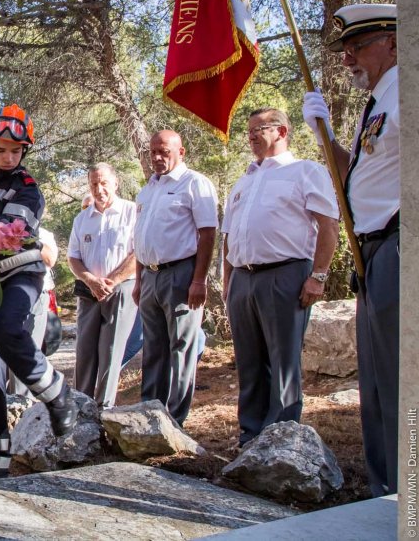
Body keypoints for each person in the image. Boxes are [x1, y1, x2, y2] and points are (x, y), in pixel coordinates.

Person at [0, 104, 77, 480]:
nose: (8, 156)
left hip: (23, 272)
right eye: (2, 149)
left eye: (15, 151)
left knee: (5, 330)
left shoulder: (28, 188)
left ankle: (56, 392)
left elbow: (3, 232)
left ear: (24, 152)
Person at [302, 3, 398, 496]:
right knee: (379, 387)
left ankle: (410, 498)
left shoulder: (405, 91)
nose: (347, 60)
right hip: (375, 250)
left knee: (401, 384)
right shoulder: (377, 104)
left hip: (400, 243)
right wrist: (327, 135)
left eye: (357, 47)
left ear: (395, 43)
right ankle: (390, 494)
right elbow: (350, 179)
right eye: (344, 50)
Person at [222, 108, 339, 447]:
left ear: (283, 131)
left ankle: (281, 438)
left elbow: (328, 225)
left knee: (282, 362)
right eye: (249, 131)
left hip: (285, 275)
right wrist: (229, 283)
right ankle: (250, 435)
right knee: (249, 362)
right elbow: (229, 237)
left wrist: (318, 276)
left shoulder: (304, 171)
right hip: (243, 280)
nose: (252, 135)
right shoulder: (244, 180)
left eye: (260, 128)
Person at [133, 130, 218, 425]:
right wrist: (138, 280)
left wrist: (199, 280)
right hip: (149, 276)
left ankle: (174, 417)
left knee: (181, 346)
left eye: (164, 151)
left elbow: (208, 234)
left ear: (180, 152)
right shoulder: (148, 189)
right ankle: (149, 412)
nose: (157, 157)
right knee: (153, 346)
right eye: (152, 151)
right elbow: (139, 238)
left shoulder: (194, 183)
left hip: (181, 274)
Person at [67, 162, 138, 408]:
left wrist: (112, 280)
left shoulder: (131, 212)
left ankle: (103, 409)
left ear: (115, 184)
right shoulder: (82, 219)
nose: (99, 189)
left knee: (111, 351)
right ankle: (80, 406)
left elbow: (138, 252)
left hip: (120, 289)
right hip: (88, 291)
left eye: (104, 183)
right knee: (85, 352)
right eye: (94, 184)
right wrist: (91, 280)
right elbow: (73, 258)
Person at [6, 226, 59, 397]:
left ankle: (23, 402)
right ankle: (12, 400)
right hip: (7, 295)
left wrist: (33, 241)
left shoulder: (44, 234)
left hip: (36, 295)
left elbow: (51, 260)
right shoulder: (2, 229)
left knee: (27, 348)